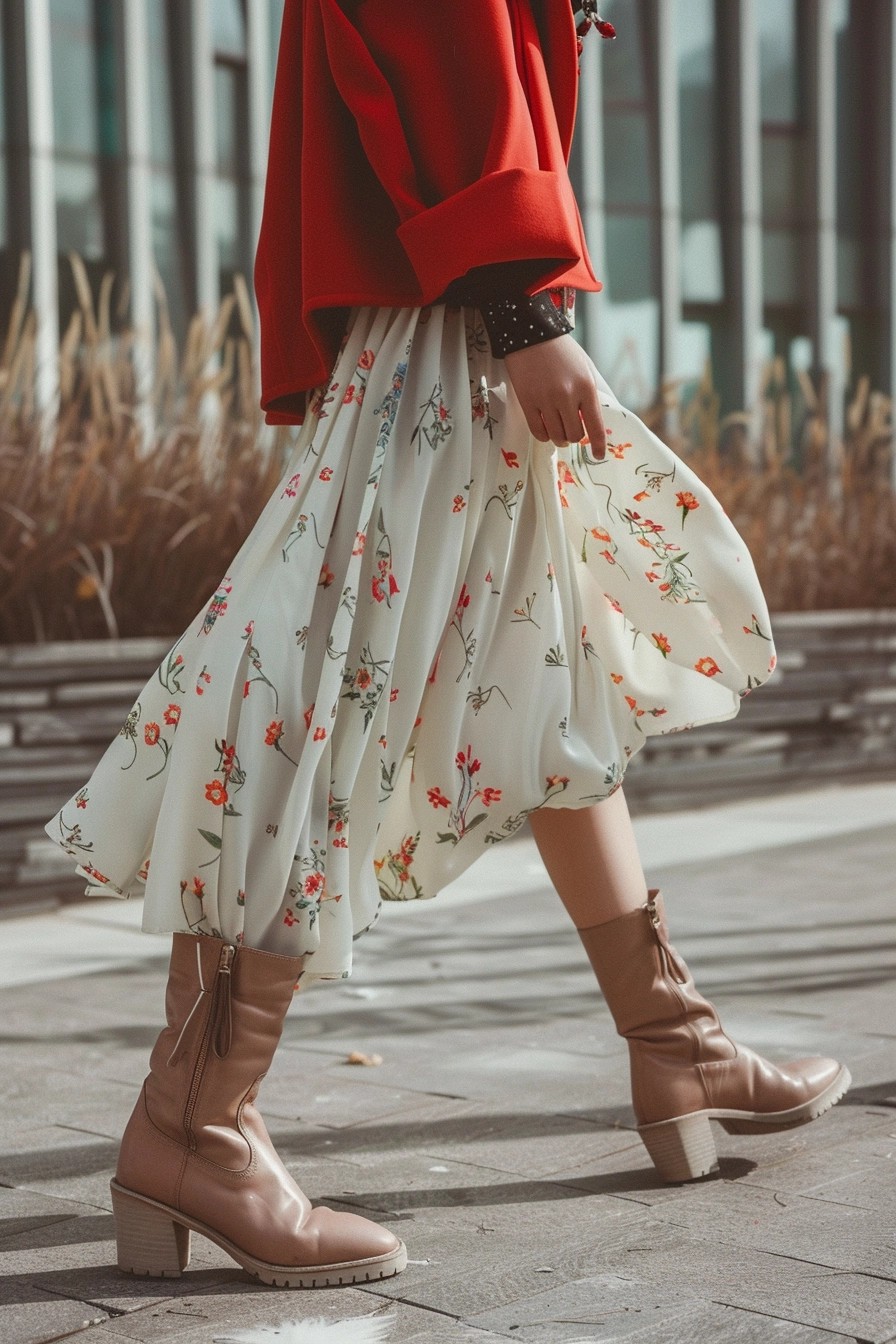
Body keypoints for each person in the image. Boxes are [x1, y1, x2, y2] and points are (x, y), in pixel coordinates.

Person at [46, 0, 849, 1291]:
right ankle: (196, 1117)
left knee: (548, 660)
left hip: (449, 293)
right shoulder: (488, 296)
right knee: (314, 688)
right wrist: (520, 308)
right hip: (450, 310)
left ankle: (670, 1039)